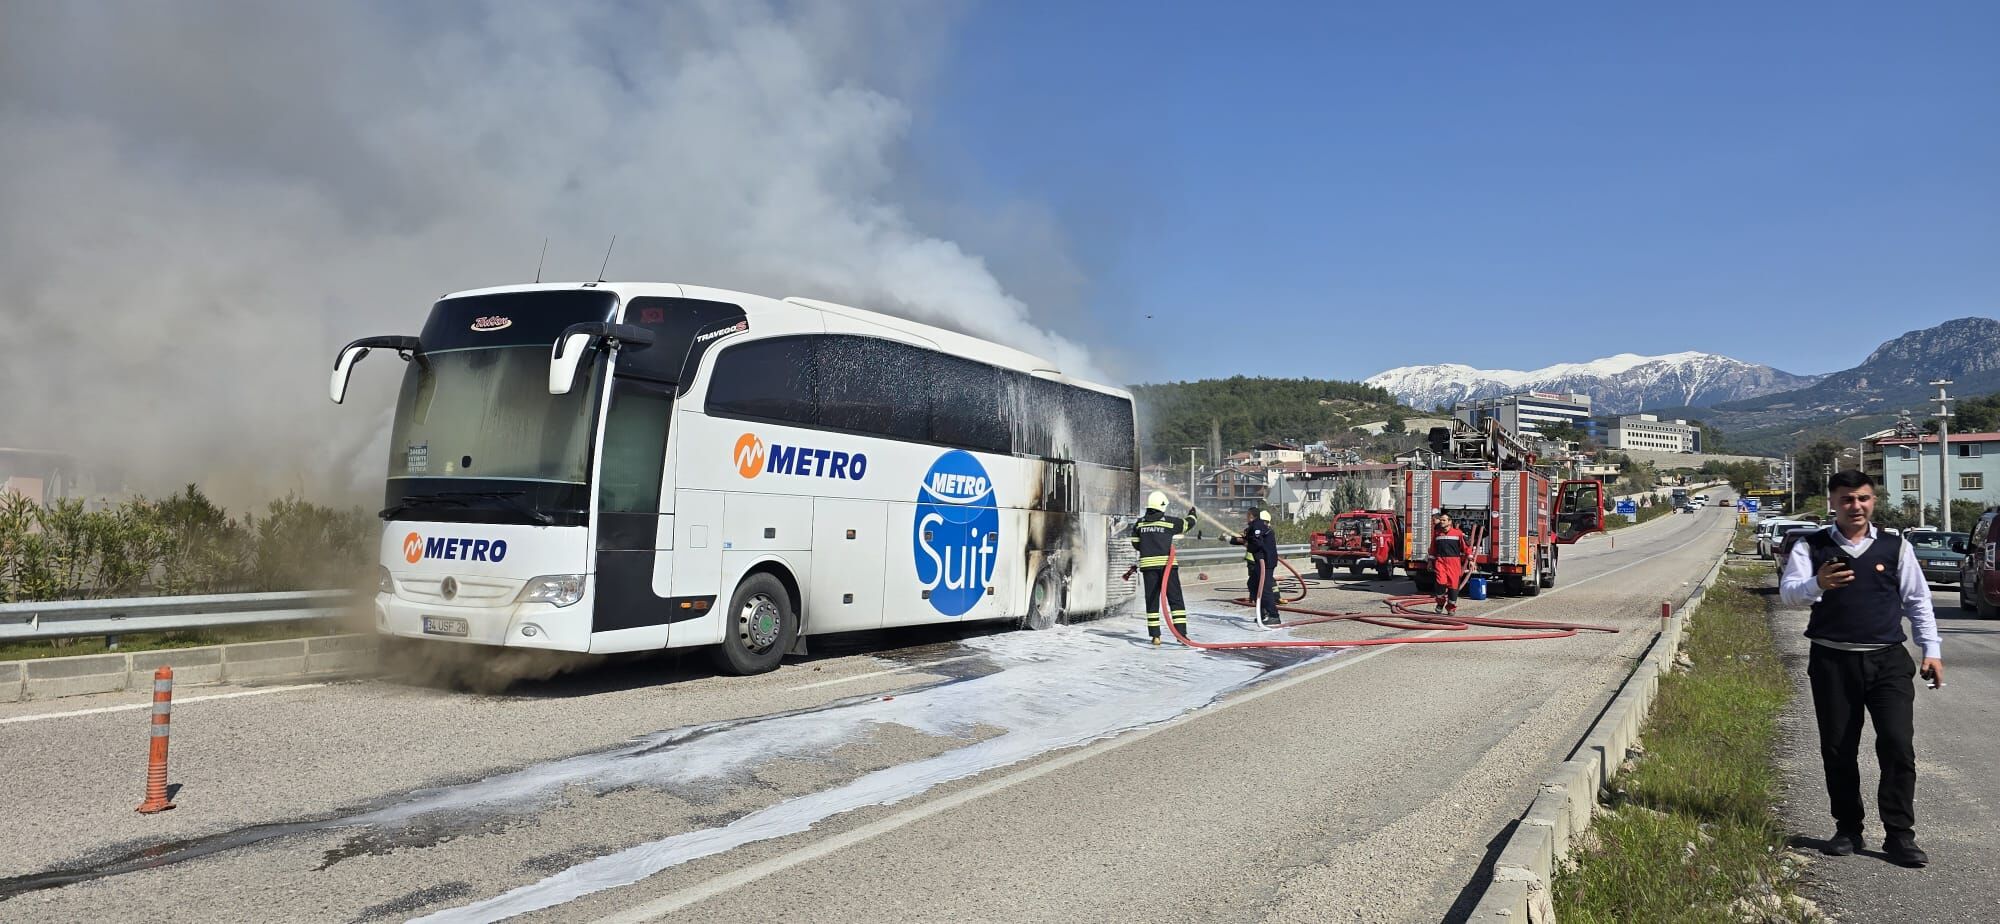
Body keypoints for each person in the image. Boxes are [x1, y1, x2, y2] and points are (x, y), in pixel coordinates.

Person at [1779, 470, 1943, 867]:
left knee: (1897, 744)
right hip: (1833, 660)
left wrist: (1931, 650)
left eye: (1864, 499)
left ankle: (1899, 835)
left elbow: (1918, 601)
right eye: (1848, 499)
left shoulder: (1894, 546)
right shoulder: (1811, 546)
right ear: (1833, 501)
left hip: (1887, 660)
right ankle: (1848, 828)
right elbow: (1789, 596)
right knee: (1838, 748)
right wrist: (1817, 584)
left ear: (1873, 502)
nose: (1856, 506)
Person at [1126, 491, 1197, 645]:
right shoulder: (1170, 522)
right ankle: (1181, 635)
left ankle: (1155, 636)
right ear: (1162, 506)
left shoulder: (1140, 523)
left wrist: (1148, 546)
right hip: (1167, 567)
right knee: (1175, 600)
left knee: (1152, 601)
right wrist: (1193, 514)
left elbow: (1135, 543)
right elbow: (1188, 524)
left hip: (1148, 567)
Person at [1230, 508, 1281, 626]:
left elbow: (1256, 543)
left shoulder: (1258, 526)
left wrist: (1248, 544)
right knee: (1252, 584)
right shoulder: (1253, 526)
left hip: (1266, 562)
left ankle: (1274, 615)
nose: (1245, 518)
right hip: (1260, 562)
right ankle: (1262, 612)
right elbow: (1247, 539)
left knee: (1265, 589)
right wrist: (1231, 539)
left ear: (1250, 515)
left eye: (1246, 515)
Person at [1428, 511, 1471, 614]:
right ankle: (1440, 603)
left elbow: (1466, 547)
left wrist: (1471, 560)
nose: (1441, 522)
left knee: (1453, 586)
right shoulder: (1437, 534)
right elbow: (1433, 549)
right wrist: (1430, 561)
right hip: (1440, 561)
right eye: (1441, 520)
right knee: (1440, 583)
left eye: (1444, 520)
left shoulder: (1458, 533)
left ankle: (1451, 607)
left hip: (1454, 562)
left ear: (1450, 522)